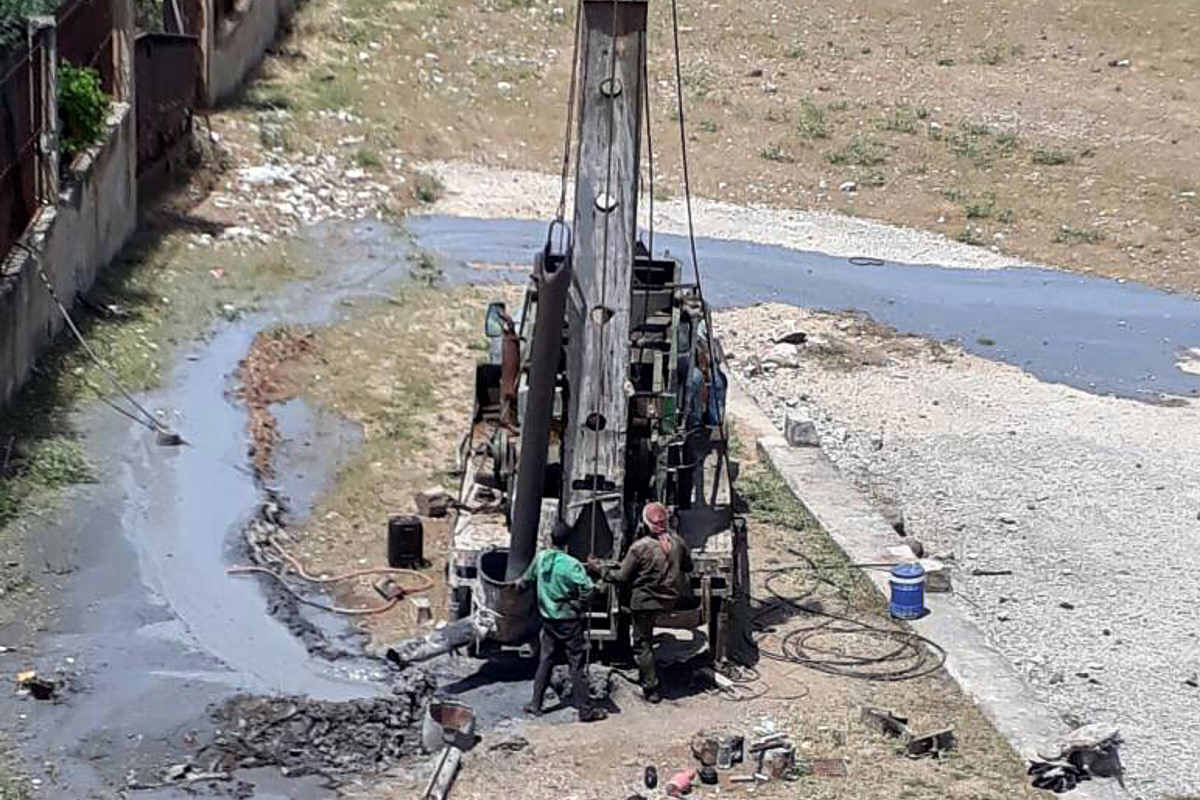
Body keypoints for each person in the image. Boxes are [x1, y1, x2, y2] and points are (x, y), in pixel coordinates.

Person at [592, 502, 694, 703]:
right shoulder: (678, 543)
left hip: (644, 602)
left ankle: (650, 688)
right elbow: (688, 567)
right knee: (644, 634)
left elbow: (621, 576)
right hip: (668, 600)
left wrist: (599, 570)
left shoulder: (640, 547)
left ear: (646, 523)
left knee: (642, 643)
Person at [519, 521, 607, 722]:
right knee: (575, 664)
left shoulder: (541, 558)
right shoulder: (571, 564)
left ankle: (536, 704)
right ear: (569, 541)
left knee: (546, 660)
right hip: (569, 621)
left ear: (551, 538)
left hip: (548, 619)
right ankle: (585, 711)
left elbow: (524, 581)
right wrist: (581, 605)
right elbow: (588, 589)